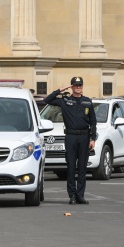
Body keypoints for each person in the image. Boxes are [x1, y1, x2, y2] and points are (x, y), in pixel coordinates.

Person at [44, 77, 97, 205]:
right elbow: (47, 100)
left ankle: (80, 196)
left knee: (82, 168)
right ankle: (72, 195)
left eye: (80, 85)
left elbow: (93, 122)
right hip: (71, 137)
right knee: (71, 167)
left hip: (84, 137)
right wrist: (60, 90)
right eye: (75, 85)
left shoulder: (87, 102)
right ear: (72, 87)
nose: (78, 87)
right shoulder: (65, 100)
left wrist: (93, 138)